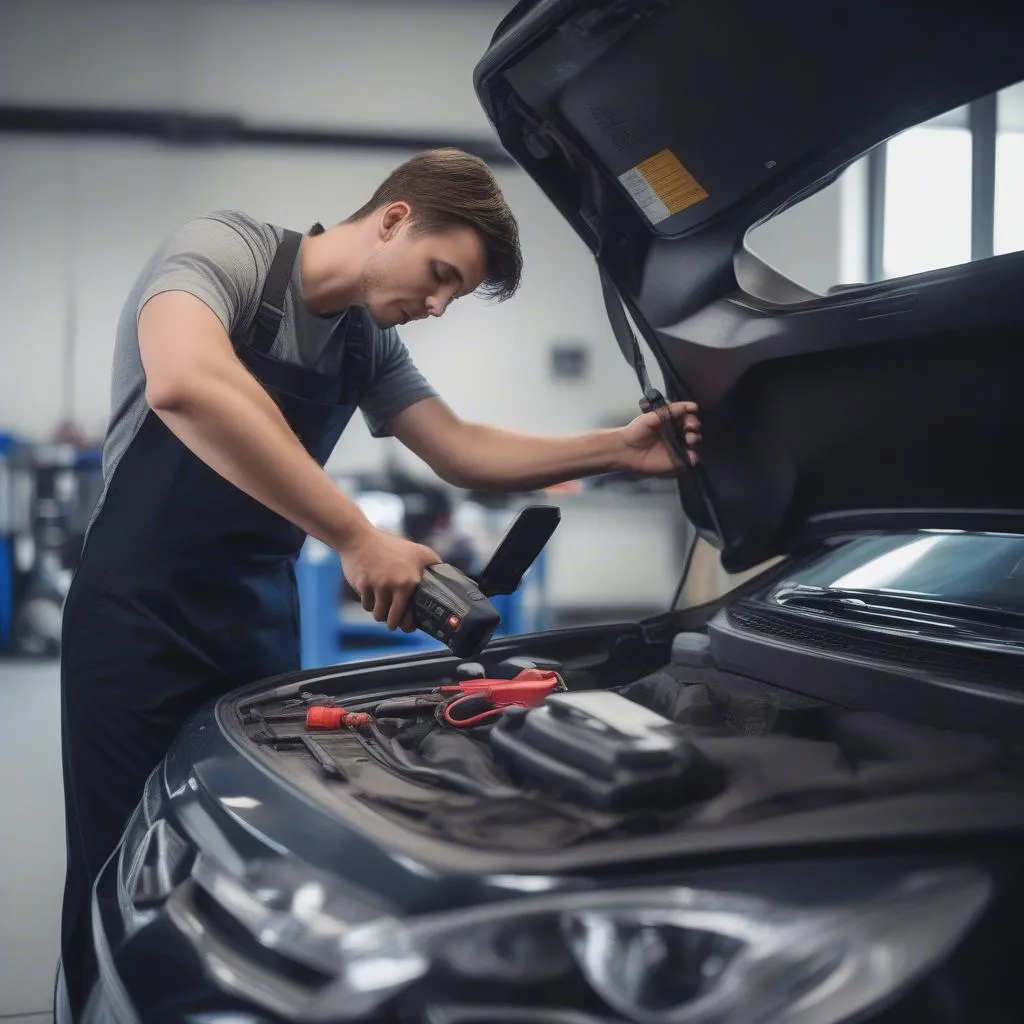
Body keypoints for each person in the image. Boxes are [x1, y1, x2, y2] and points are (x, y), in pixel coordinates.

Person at [57, 147, 701, 1015]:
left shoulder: (366, 342)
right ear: (394, 217)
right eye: (440, 276)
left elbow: (463, 448)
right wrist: (357, 537)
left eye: (454, 296)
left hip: (256, 617)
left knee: (241, 856)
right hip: (135, 612)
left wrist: (617, 449)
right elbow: (187, 382)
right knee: (117, 862)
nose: (436, 306)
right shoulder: (228, 254)